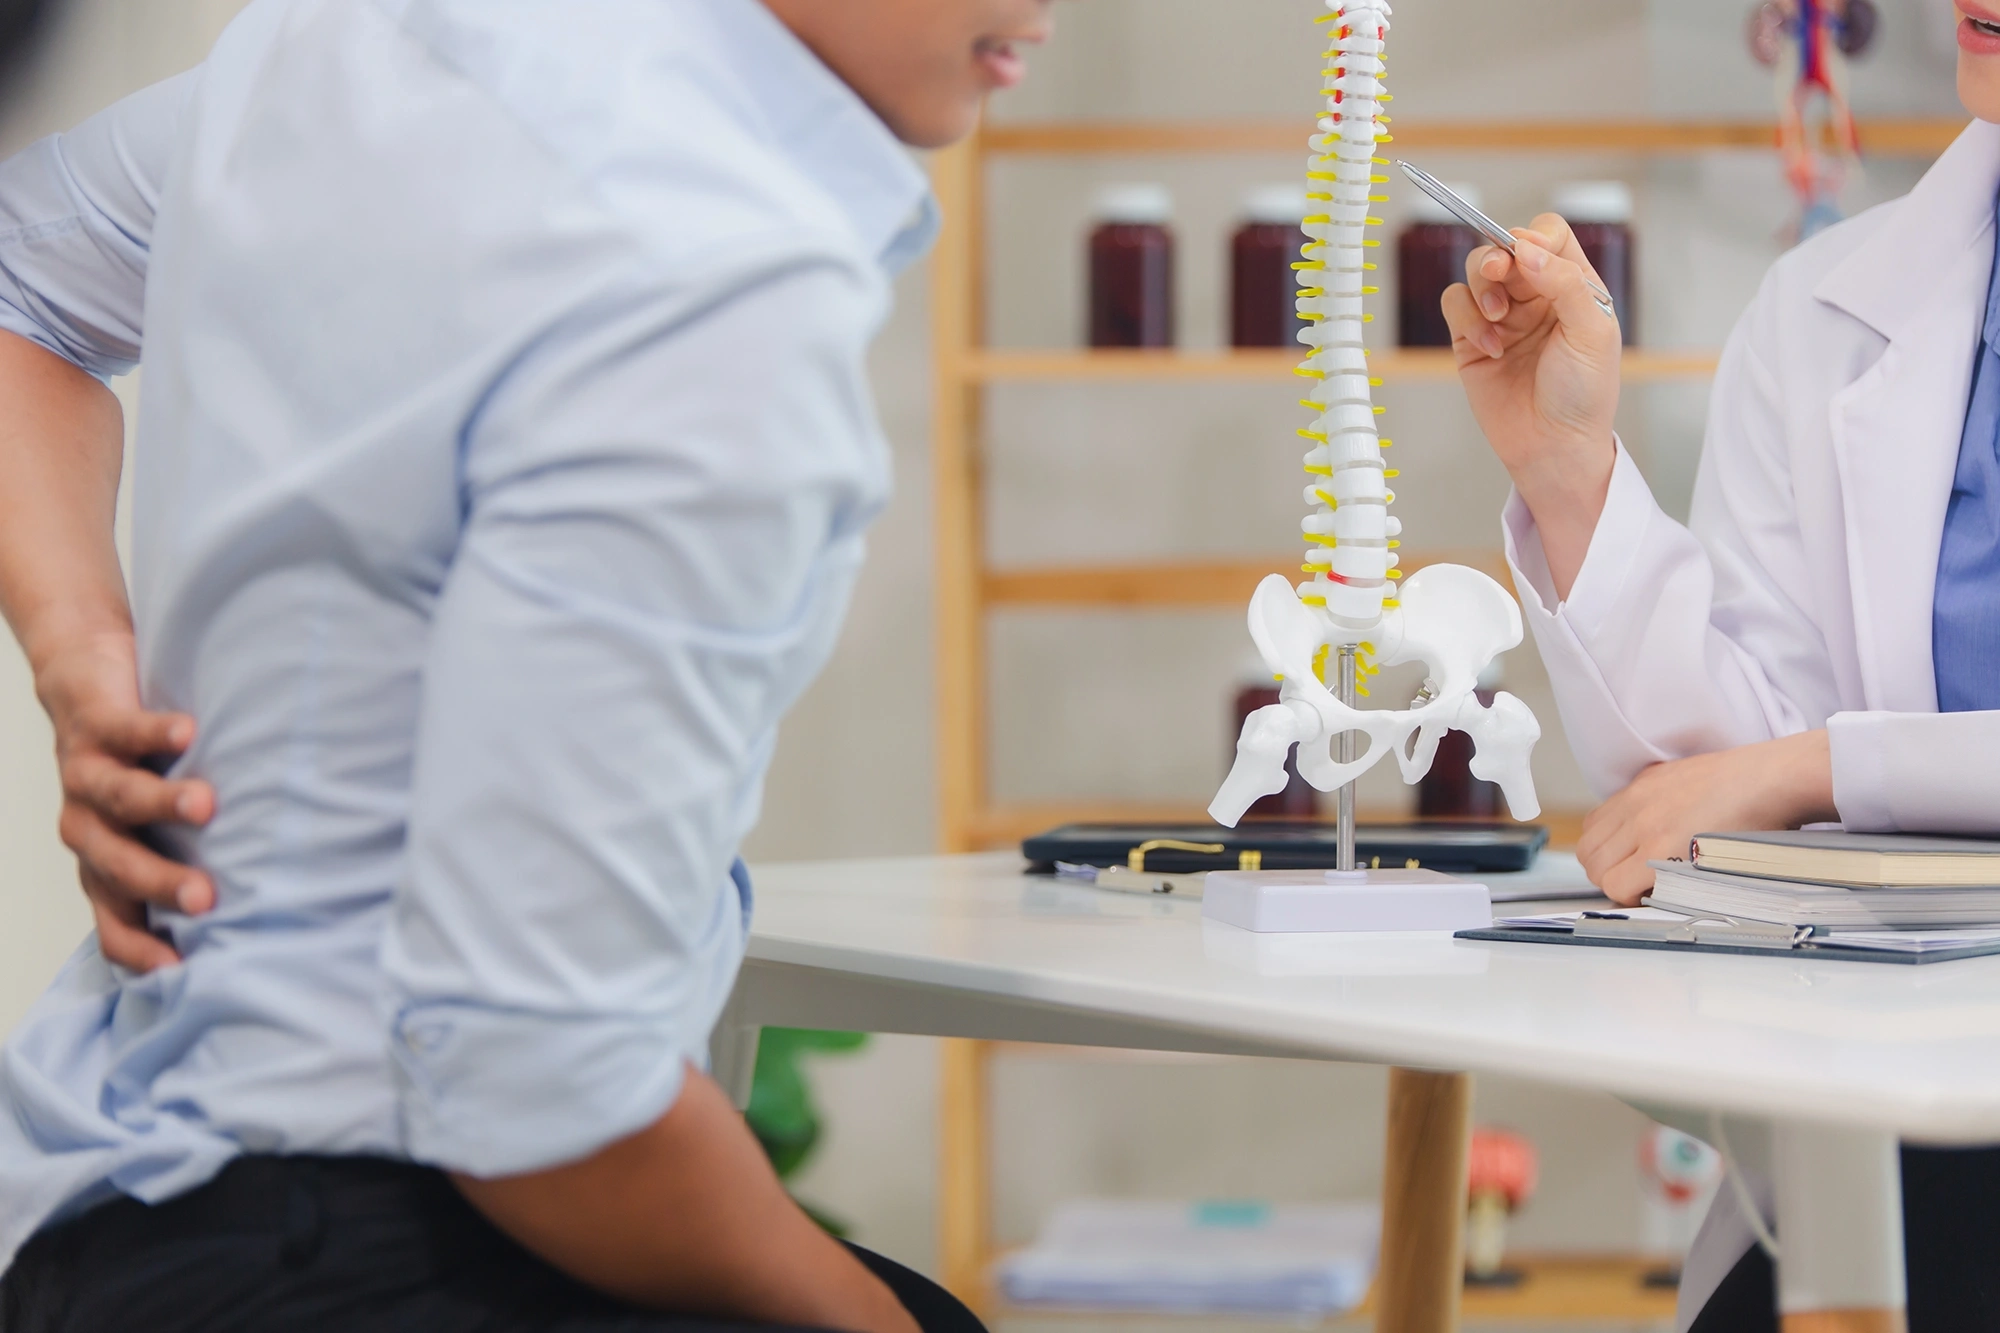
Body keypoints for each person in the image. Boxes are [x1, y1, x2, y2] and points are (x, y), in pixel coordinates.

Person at [0, 0, 1051, 1328]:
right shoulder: (714, 279)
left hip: (108, 1221)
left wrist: (80, 653)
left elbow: (15, 277)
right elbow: (537, 1099)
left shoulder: (358, 41)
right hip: (389, 1234)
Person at [1441, 6, 2000, 1331]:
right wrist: (1571, 477)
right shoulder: (1828, 307)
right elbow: (1714, 792)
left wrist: (1823, 766)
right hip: (1913, 1123)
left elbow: (1790, 769)